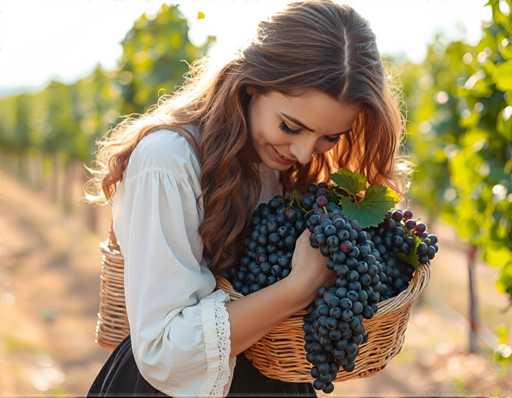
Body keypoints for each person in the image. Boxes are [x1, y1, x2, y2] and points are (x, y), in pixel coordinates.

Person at [84, 0, 410, 396]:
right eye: (290, 126)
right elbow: (163, 352)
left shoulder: (285, 167)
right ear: (251, 84)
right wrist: (299, 286)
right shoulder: (168, 162)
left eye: (330, 137)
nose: (305, 154)